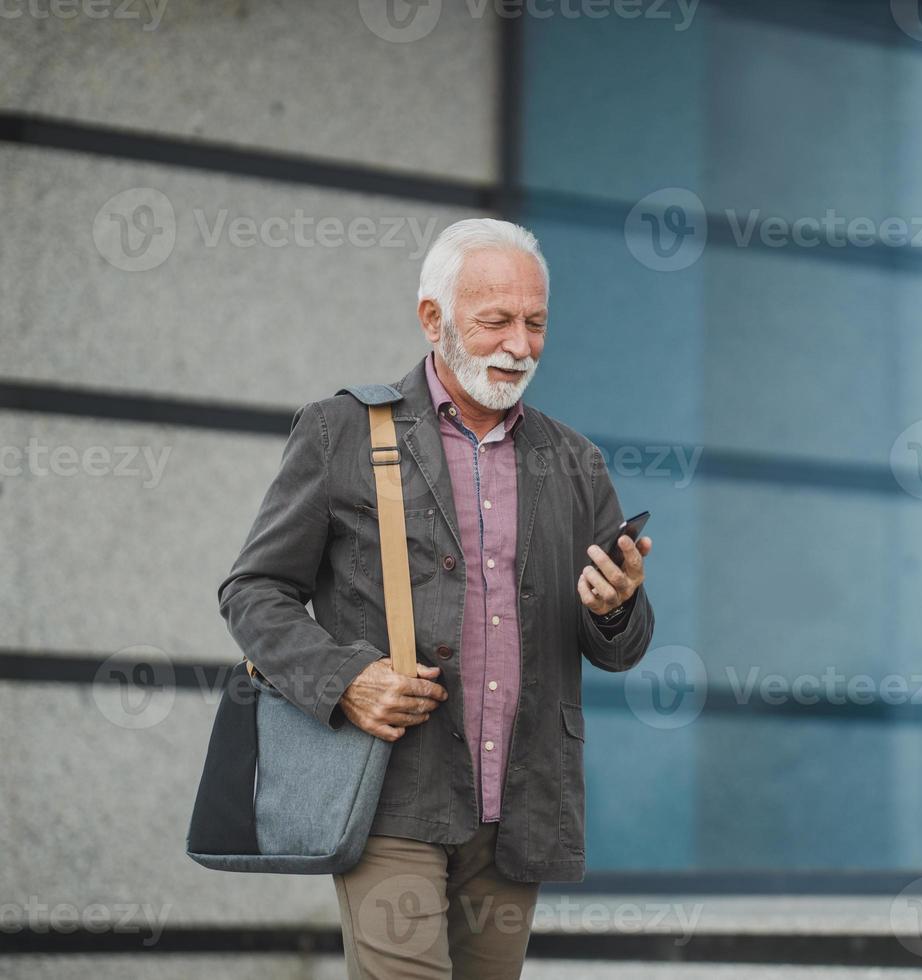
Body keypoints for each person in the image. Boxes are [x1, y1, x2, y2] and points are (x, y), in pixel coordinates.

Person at [218, 217, 655, 979]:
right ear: (433, 319)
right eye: (495, 322)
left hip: (522, 807)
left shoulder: (575, 460)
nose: (520, 344)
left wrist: (615, 605)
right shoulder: (340, 431)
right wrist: (344, 680)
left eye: (535, 322)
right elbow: (253, 591)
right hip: (389, 795)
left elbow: (618, 647)